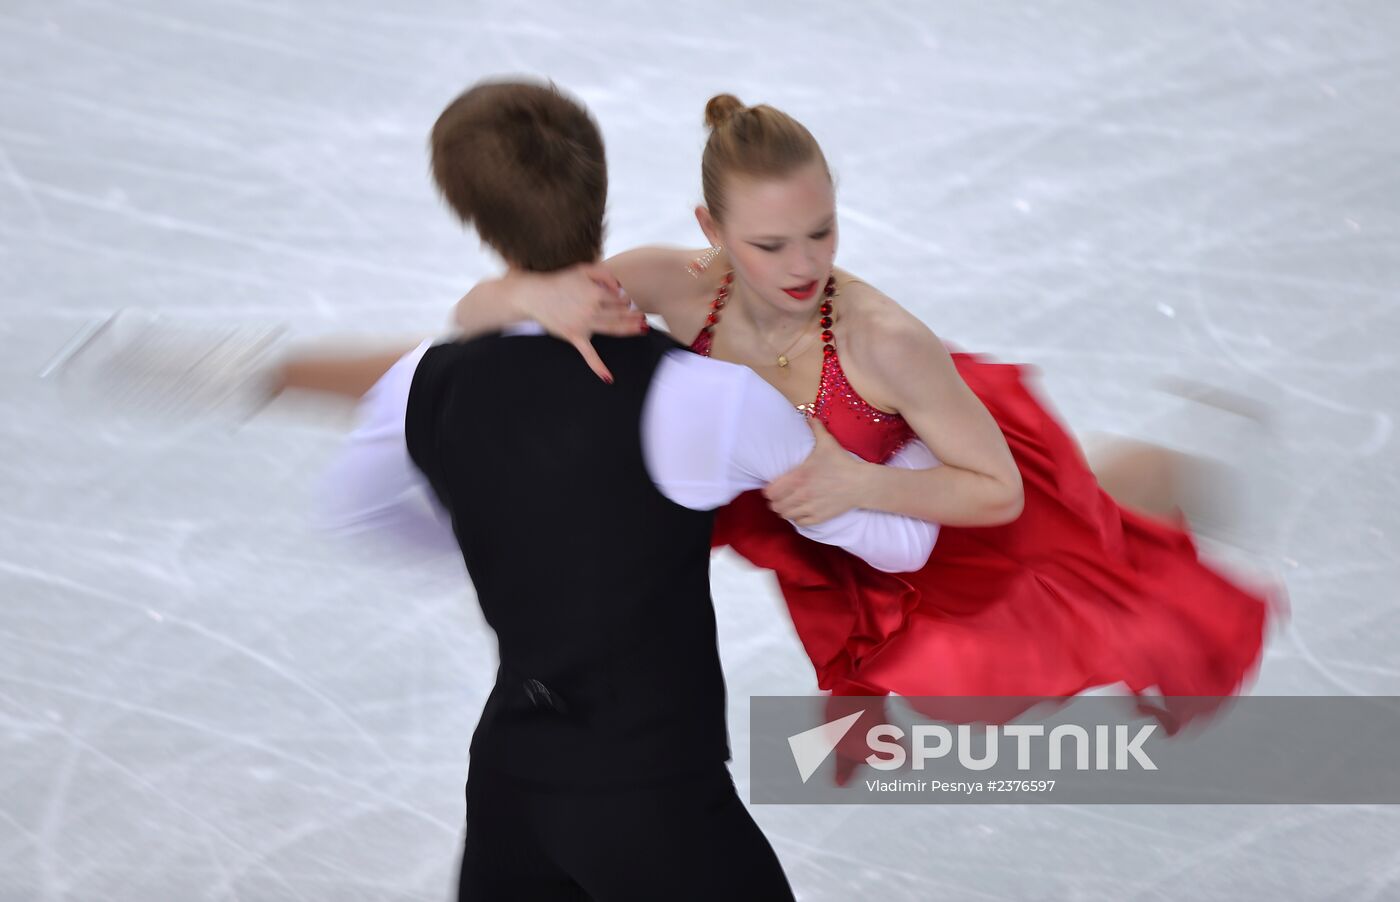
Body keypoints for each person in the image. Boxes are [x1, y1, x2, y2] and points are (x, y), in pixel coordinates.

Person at [446, 93, 1278, 749]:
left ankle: (1166, 472)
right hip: (851, 506)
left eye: (822, 232)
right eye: (770, 245)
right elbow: (477, 316)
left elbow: (997, 494)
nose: (804, 265)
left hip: (951, 491)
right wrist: (528, 294)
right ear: (712, 231)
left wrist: (861, 481)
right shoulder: (669, 281)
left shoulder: (885, 340)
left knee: (1065, 583)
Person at [317, 80, 953, 901]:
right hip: (657, 802)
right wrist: (904, 423)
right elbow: (898, 537)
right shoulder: (710, 399)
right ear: (599, 189)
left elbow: (356, 511)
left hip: (511, 789)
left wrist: (507, 535)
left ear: (472, 217)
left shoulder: (420, 382)